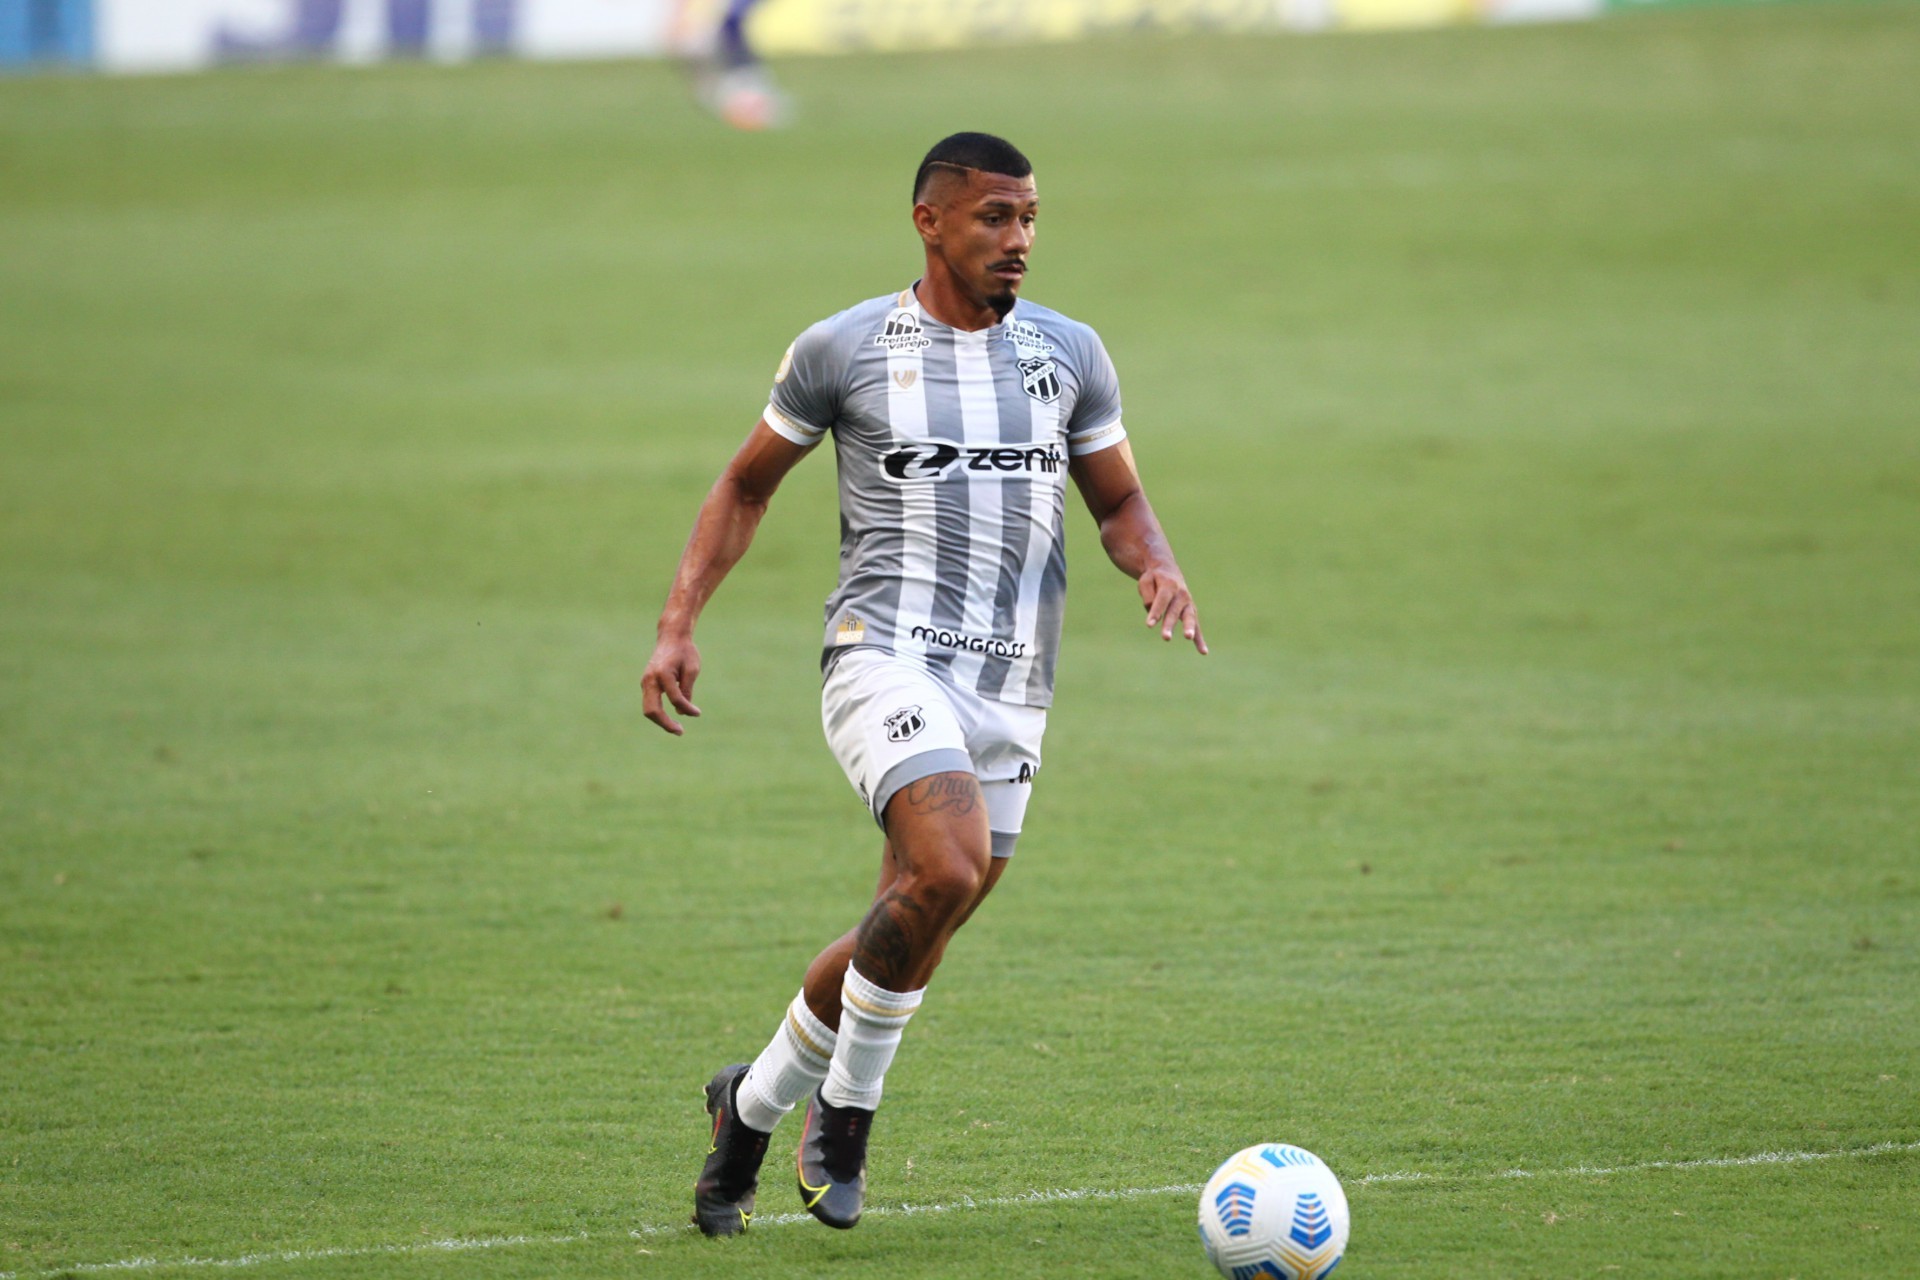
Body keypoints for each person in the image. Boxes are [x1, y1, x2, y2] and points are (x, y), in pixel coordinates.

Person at [641, 131, 1207, 1237]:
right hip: (883, 652)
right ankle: (846, 1117)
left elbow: (1117, 504)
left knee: (917, 917)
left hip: (1016, 683)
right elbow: (746, 485)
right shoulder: (845, 348)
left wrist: (1160, 563)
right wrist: (678, 622)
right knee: (941, 868)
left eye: (1031, 217)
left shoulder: (1070, 353)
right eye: (996, 217)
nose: (1020, 239)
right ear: (931, 221)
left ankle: (745, 1112)